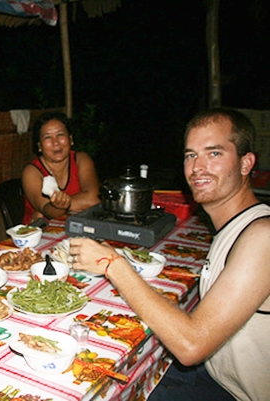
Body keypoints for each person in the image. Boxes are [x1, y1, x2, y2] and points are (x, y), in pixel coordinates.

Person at [68, 108, 270, 400]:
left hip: (235, 392)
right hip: (214, 371)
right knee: (115, 371)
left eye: (214, 153)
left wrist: (112, 263)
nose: (198, 167)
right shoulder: (233, 226)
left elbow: (191, 345)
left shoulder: (262, 236)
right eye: (191, 155)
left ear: (245, 163)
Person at [21, 111, 100, 224]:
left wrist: (62, 205)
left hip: (78, 226)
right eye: (48, 137)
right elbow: (47, 210)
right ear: (39, 146)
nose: (56, 142)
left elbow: (94, 198)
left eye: (60, 135)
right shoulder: (31, 171)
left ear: (71, 139)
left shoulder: (81, 159)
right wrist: (78, 202)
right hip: (42, 231)